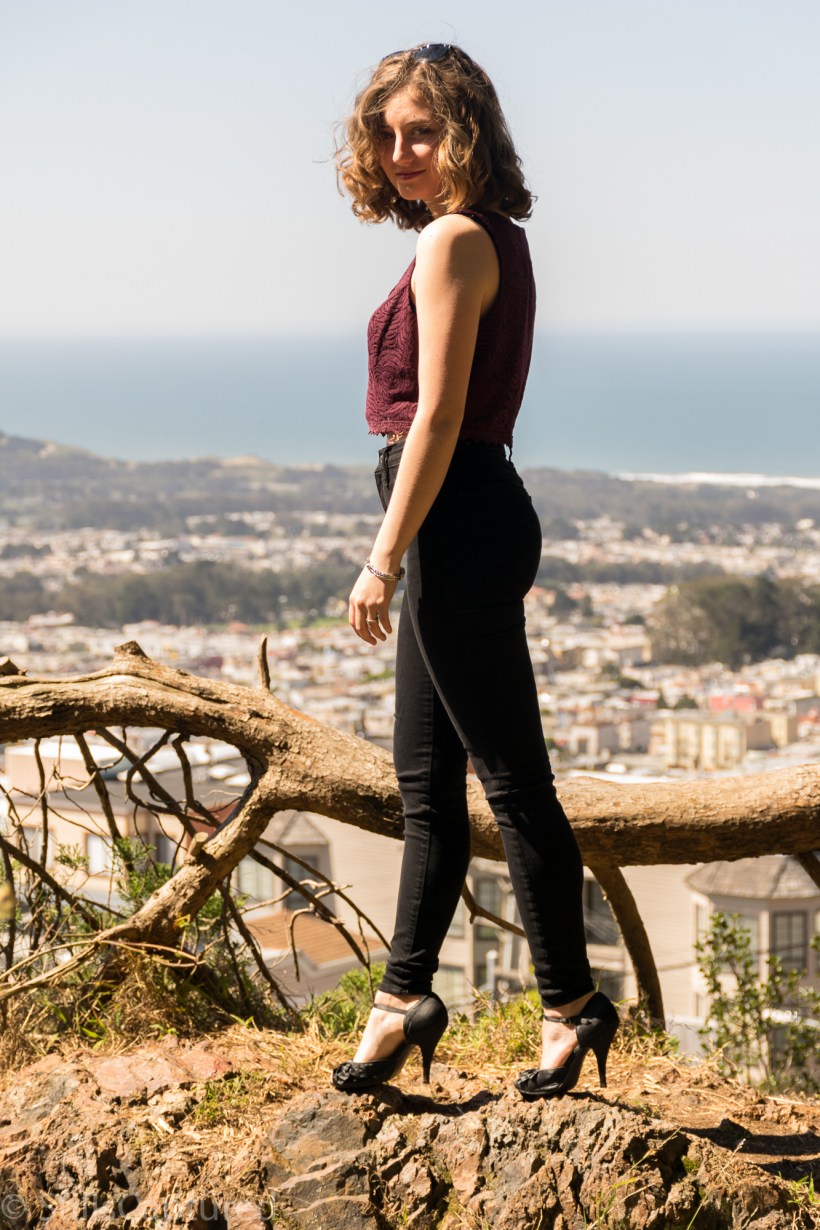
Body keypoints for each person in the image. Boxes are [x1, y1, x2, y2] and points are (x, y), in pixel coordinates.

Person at [330, 43, 619, 1099]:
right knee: (426, 787)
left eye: (421, 131)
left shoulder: (456, 241)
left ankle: (571, 1004)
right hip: (467, 515)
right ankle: (405, 996)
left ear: (466, 133)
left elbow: (440, 416)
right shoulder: (490, 237)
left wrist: (382, 558)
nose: (401, 152)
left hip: (454, 517)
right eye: (386, 134)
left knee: (508, 784)